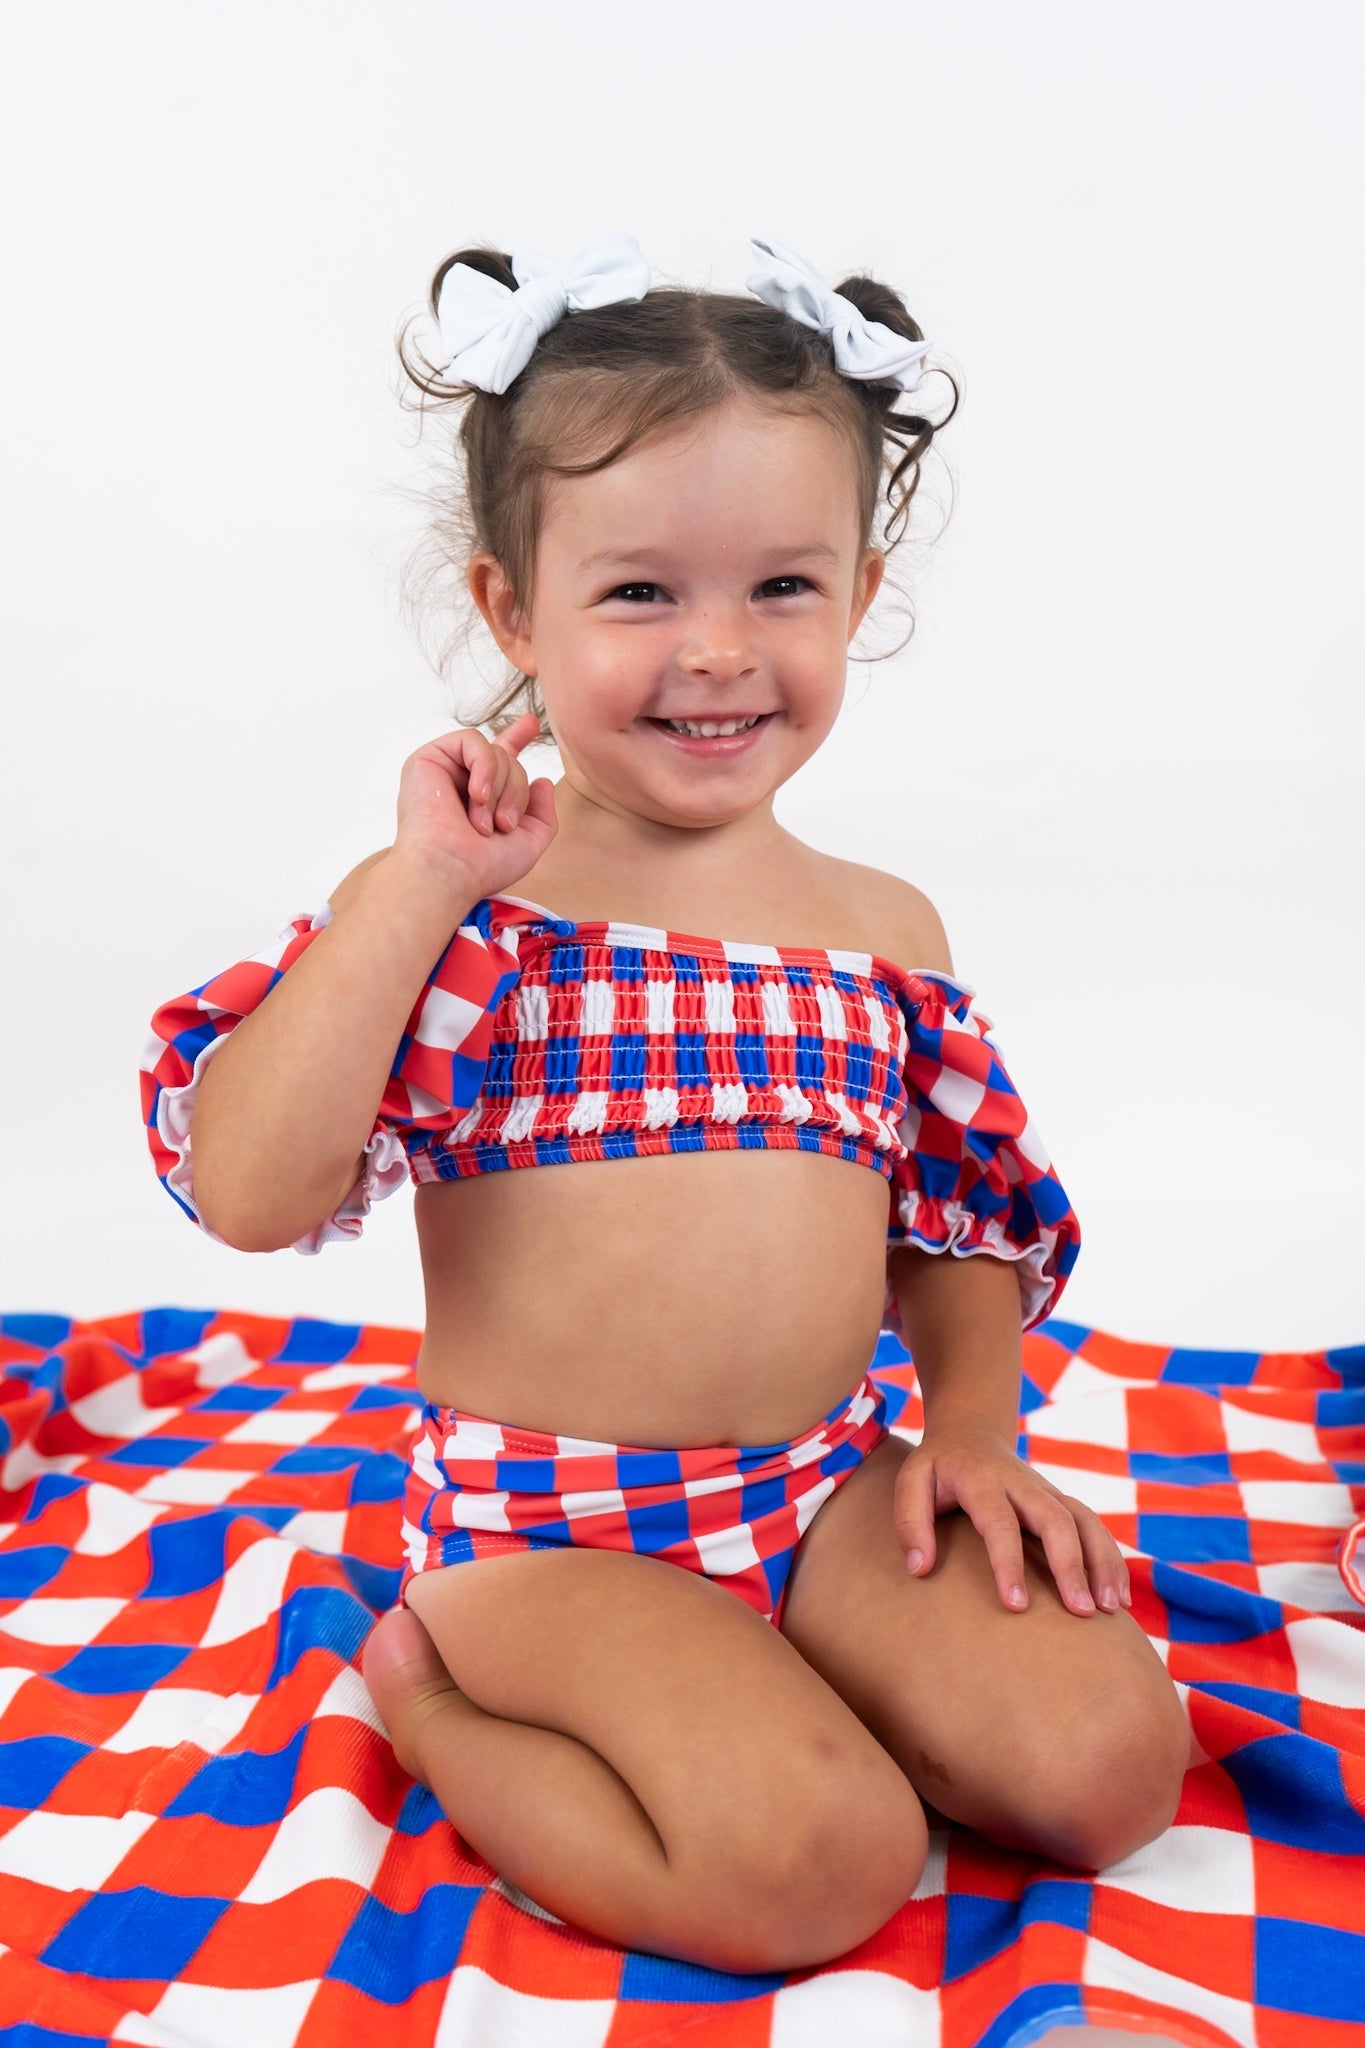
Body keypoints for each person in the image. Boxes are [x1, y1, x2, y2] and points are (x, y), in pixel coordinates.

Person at [139, 233, 1189, 1977]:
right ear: (510, 613)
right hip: (553, 1535)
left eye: (781, 587)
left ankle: (800, 1682)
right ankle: (436, 1713)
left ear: (855, 596)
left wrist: (976, 1437)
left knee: (1108, 1772)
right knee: (813, 1866)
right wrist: (411, 894)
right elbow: (248, 1188)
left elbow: (953, 1225)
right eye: (638, 594)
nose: (717, 651)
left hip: (823, 1489)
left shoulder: (879, 929)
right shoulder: (478, 905)